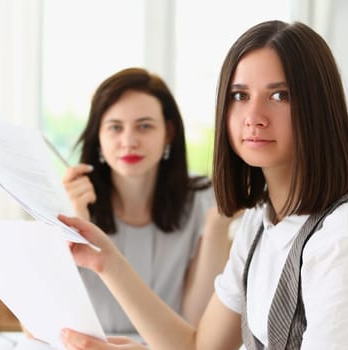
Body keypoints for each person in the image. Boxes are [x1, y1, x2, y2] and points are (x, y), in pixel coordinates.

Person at [56, 20, 348, 350]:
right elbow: (200, 347)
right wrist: (106, 261)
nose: (253, 118)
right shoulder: (261, 224)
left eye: (280, 95)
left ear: (318, 109)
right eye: (240, 96)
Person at [60, 67, 235, 334]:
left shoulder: (204, 199)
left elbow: (199, 325)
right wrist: (73, 222)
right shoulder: (71, 200)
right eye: (115, 127)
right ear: (98, 137)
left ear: (168, 133)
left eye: (144, 126)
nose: (129, 141)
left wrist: (216, 225)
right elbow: (34, 325)